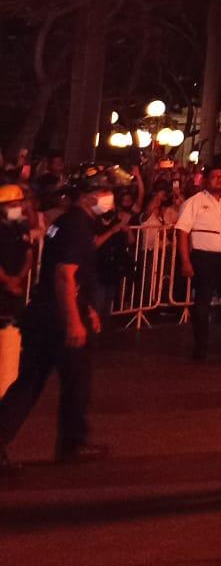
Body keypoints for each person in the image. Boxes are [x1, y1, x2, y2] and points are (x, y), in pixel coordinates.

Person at [0, 164, 128, 472]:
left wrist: (88, 309)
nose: (108, 197)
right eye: (103, 191)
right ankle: (73, 443)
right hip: (57, 317)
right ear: (86, 195)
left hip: (46, 314)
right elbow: (64, 275)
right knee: (76, 382)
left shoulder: (71, 223)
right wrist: (73, 319)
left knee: (29, 383)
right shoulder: (76, 225)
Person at [177, 166, 221, 361]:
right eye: (214, 176)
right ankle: (201, 346)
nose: (219, 179)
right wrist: (185, 261)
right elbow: (182, 232)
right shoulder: (194, 202)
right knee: (202, 302)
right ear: (205, 180)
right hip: (204, 257)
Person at [0, 184, 33, 398]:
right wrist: (7, 280)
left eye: (19, 203)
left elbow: (29, 255)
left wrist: (18, 278)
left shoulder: (21, 227)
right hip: (4, 290)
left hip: (13, 295)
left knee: (11, 346)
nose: (18, 207)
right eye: (13, 204)